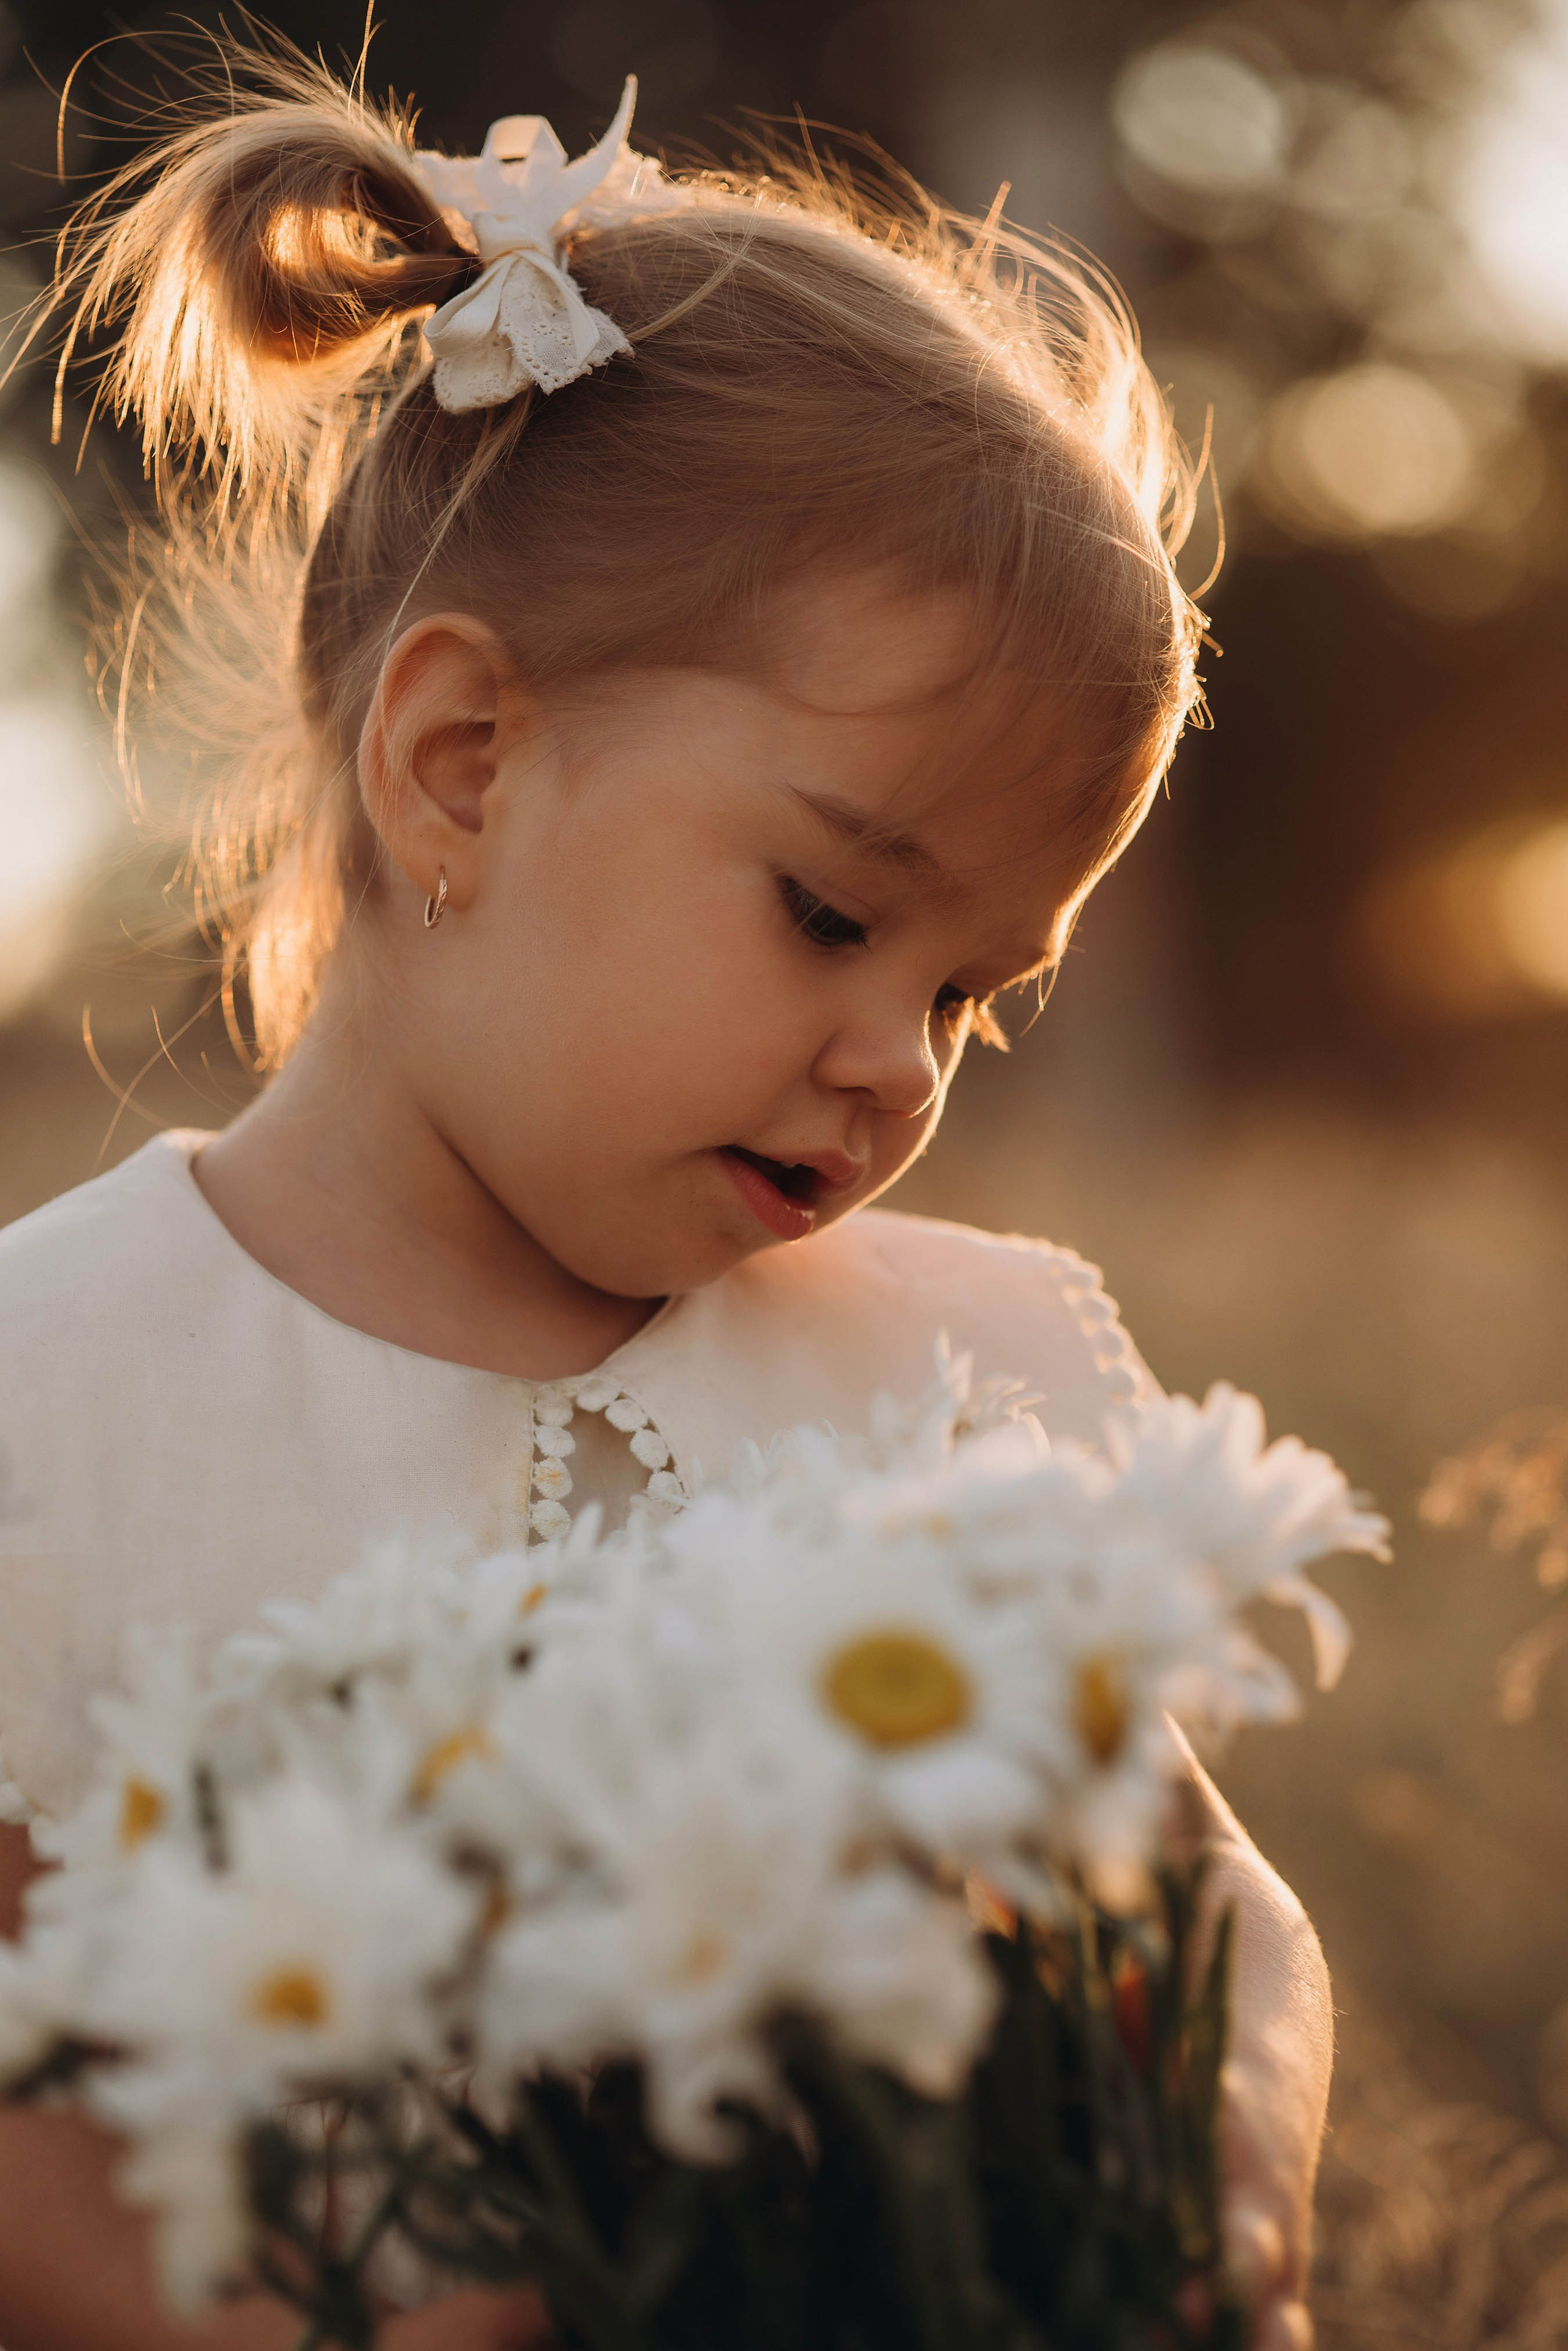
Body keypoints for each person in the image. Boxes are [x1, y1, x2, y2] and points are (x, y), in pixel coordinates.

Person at [0, 40, 1329, 2351]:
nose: (896, 1067)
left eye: (977, 999)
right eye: (834, 916)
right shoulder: (60, 1406)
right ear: (462, 766)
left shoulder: (949, 1391)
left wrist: (1213, 2183)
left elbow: (1207, 1917)